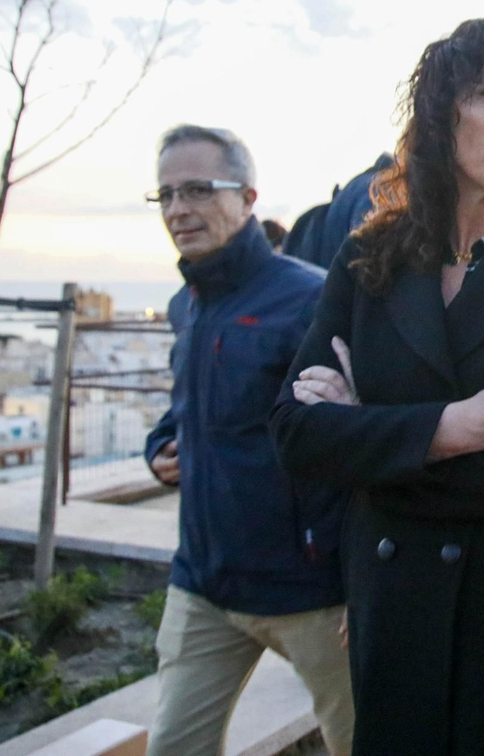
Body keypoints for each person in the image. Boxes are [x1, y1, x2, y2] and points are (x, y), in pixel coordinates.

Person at [269, 16, 484, 756]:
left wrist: (374, 442)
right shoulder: (372, 256)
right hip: (396, 611)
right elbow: (297, 432)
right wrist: (448, 429)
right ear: (443, 111)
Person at [142, 124, 353, 756]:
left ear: (249, 197)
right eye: (168, 195)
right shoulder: (188, 304)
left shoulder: (310, 298)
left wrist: (357, 585)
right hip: (204, 585)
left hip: (309, 593)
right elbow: (188, 406)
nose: (180, 209)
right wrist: (158, 447)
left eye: (200, 190)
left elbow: (351, 440)